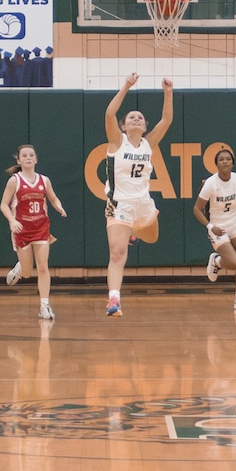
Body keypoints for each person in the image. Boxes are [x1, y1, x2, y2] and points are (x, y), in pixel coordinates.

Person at [102, 73, 174, 317]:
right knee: (117, 253)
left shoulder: (148, 144)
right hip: (120, 205)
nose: (136, 119)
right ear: (124, 126)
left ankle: (133, 232)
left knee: (152, 238)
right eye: (131, 117)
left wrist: (168, 92)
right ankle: (114, 300)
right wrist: (126, 86)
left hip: (144, 203)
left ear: (144, 127)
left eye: (140, 118)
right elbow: (109, 114)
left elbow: (166, 120)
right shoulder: (117, 141)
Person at [0, 145, 67, 320]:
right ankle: (20, 268)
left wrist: (59, 207)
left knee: (43, 267)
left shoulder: (44, 180)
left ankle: (44, 305)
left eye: (31, 155)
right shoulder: (14, 181)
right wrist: (12, 221)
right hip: (22, 230)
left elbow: (53, 198)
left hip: (41, 228)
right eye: (24, 155)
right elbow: (3, 205)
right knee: (28, 273)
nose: (28, 158)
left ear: (36, 159)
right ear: (19, 160)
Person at [194, 147, 236, 311]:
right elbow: (196, 209)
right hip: (218, 227)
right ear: (216, 164)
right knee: (233, 263)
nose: (225, 161)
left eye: (228, 159)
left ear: (232, 163)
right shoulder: (211, 183)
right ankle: (217, 261)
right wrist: (210, 227)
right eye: (221, 159)